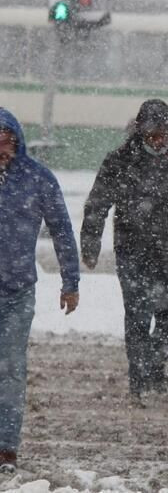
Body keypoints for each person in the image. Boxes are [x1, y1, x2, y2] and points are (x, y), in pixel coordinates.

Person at [81, 99, 168, 399]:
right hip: (132, 249)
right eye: (152, 135)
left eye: (162, 134)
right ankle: (139, 378)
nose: (158, 140)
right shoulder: (119, 161)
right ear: (140, 134)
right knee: (138, 315)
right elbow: (97, 205)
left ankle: (155, 362)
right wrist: (91, 244)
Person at [0, 108, 80, 474]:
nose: (3, 149)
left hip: (17, 292)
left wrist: (71, 282)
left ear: (18, 142)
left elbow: (62, 230)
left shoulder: (36, 178)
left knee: (12, 369)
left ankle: (6, 448)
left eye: (8, 141)